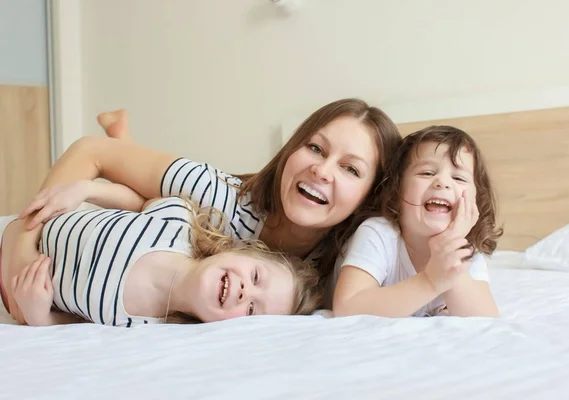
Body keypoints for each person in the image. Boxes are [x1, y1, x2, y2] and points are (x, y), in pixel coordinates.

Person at [19, 99, 402, 290]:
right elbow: (89, 152)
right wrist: (18, 254)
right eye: (315, 148)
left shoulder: (356, 255)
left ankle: (125, 139)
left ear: (371, 196)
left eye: (351, 169)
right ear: (292, 149)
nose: (322, 169)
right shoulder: (218, 200)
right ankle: (122, 141)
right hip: (201, 204)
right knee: (157, 202)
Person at [0, 180, 321, 327]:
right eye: (255, 276)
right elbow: (136, 201)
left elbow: (74, 320)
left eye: (252, 309)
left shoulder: (146, 325)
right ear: (241, 251)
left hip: (9, 289)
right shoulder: (179, 223)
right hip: (28, 227)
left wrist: (39, 316)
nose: (244, 290)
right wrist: (88, 189)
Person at [331, 125, 503, 318]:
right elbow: (347, 308)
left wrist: (450, 246)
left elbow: (486, 319)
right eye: (427, 173)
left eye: (458, 177)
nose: (443, 182)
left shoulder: (466, 249)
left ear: (476, 202)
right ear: (396, 189)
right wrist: (430, 281)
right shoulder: (378, 233)